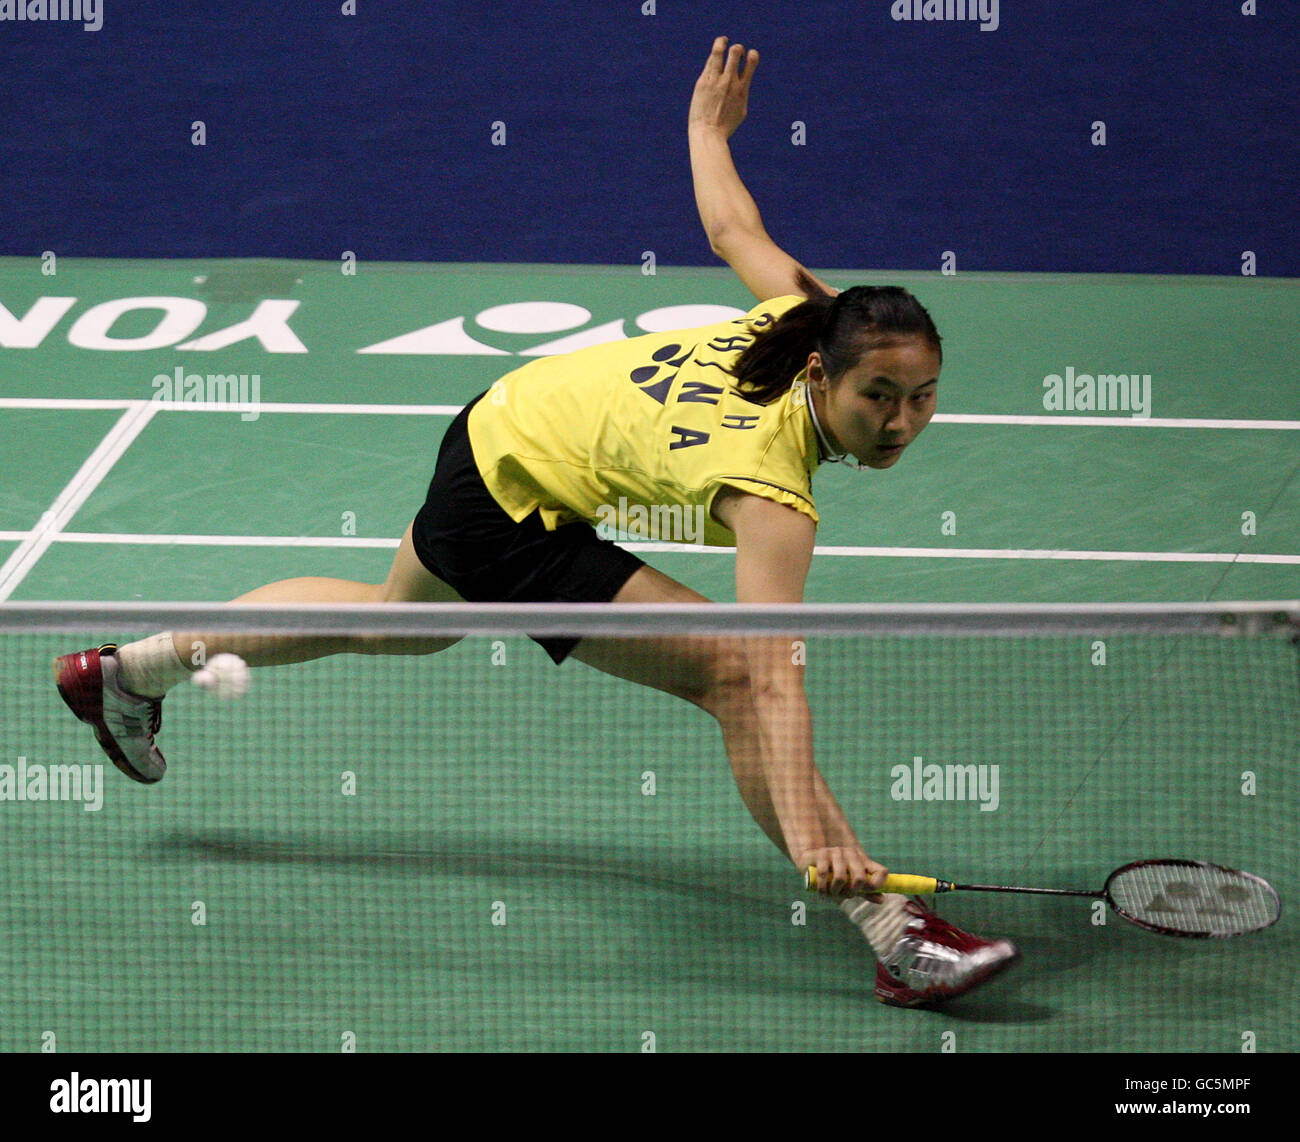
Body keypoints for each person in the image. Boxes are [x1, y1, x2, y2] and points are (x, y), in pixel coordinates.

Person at [55, 36, 1017, 1007]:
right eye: (879, 396)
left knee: (389, 616)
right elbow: (770, 676)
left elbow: (732, 228)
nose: (899, 422)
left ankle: (126, 670)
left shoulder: (811, 316)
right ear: (826, 371)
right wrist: (822, 850)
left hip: (500, 425)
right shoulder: (774, 498)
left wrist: (702, 129)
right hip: (515, 497)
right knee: (726, 670)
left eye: (923, 396)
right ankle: (893, 932)